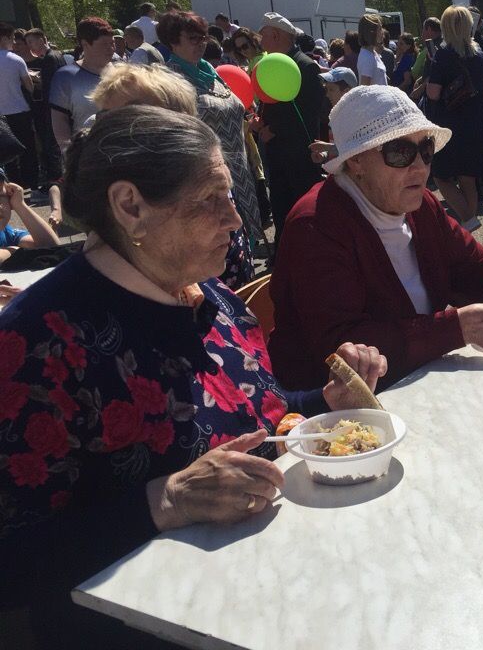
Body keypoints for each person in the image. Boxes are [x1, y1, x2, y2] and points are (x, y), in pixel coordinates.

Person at [0, 105, 387, 647]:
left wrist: (322, 401)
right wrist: (168, 499)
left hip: (275, 589)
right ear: (130, 206)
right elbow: (13, 564)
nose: (236, 219)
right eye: (211, 201)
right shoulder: (35, 343)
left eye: (231, 195)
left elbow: (259, 417)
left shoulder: (210, 295)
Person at [269, 85, 483, 391]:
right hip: (342, 411)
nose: (420, 166)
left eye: (425, 149)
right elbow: (343, 349)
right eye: (399, 152)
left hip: (420, 381)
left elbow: (475, 267)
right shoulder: (316, 225)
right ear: (356, 161)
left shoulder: (419, 204)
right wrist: (461, 327)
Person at [159, 11, 261, 287]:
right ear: (172, 41)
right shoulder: (168, 80)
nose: (202, 42)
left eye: (204, 36)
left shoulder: (212, 73)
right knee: (219, 264)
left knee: (243, 253)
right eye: (193, 37)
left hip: (239, 174)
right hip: (206, 182)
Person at [251, 12, 325, 243]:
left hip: (299, 154)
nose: (260, 42)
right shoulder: (270, 65)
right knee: (281, 204)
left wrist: (275, 129)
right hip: (277, 150)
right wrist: (260, 120)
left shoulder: (305, 66)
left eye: (263, 36)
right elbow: (269, 102)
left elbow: (310, 112)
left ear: (275, 35)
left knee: (301, 204)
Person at [426, 5, 483, 231]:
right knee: (468, 177)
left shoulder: (442, 56)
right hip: (474, 123)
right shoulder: (481, 55)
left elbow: (433, 93)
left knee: (441, 176)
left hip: (449, 125)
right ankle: (469, 223)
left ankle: (468, 220)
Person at [49, 17, 114, 151]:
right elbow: (60, 120)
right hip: (85, 154)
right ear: (85, 44)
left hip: (121, 151)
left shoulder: (121, 72)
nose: (111, 49)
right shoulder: (66, 76)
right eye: (104, 44)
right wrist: (68, 153)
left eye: (112, 43)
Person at [23, 28, 66, 198]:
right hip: (60, 106)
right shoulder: (57, 55)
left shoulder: (49, 59)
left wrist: (36, 82)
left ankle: (56, 184)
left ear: (41, 40)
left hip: (52, 108)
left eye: (31, 42)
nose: (30, 46)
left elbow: (49, 87)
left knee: (52, 148)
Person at [0, 23, 39, 195]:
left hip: (1, 114)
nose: (13, 43)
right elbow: (29, 86)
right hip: (19, 110)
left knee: (6, 152)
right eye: (11, 38)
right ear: (4, 38)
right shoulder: (16, 60)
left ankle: (12, 183)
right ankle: (31, 182)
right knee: (27, 149)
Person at [0, 177, 59, 266]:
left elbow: (51, 247)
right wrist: (13, 251)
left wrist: (20, 205)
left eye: (1, 197)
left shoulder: (7, 233)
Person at [356, 14, 388, 86]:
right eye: (379, 29)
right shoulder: (367, 57)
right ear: (371, 33)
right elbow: (365, 88)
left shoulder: (372, 53)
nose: (382, 32)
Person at [411, 16, 441, 82]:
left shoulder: (431, 47)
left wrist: (419, 88)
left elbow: (431, 74)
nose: (422, 35)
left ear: (429, 29)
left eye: (423, 30)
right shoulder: (445, 44)